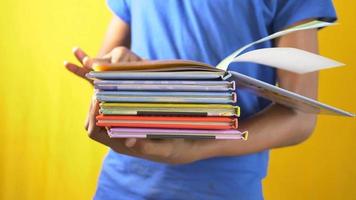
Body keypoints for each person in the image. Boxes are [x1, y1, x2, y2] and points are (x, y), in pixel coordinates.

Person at [64, 1, 336, 199]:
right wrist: (115, 67)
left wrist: (197, 148)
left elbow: (300, 117)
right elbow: (103, 64)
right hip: (120, 184)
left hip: (224, 191)